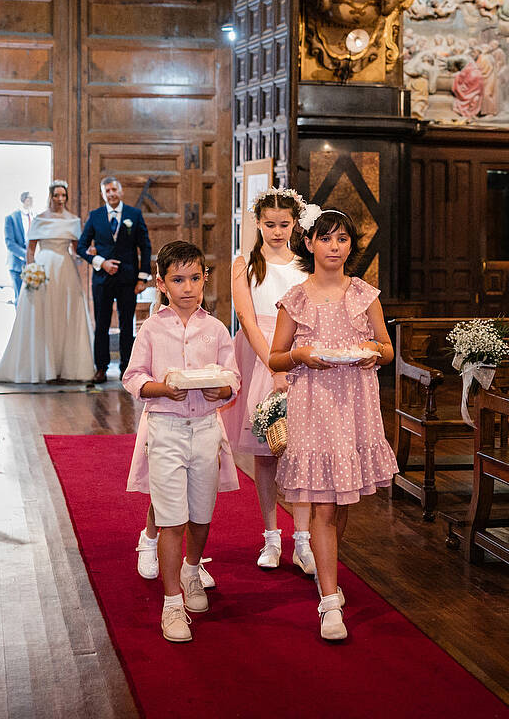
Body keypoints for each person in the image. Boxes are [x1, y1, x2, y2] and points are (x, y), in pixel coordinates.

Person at [268, 207, 397, 642]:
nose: (334, 247)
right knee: (323, 505)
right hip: (314, 406)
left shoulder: (364, 293)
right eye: (325, 239)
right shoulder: (296, 298)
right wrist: (300, 356)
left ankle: (328, 575)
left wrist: (372, 351)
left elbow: (388, 349)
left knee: (341, 504)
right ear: (309, 244)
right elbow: (276, 357)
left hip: (355, 405)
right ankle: (329, 603)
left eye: (342, 239)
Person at [122, 241, 240, 643]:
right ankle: (172, 603)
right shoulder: (151, 329)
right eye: (177, 280)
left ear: (205, 278)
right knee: (172, 518)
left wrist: (222, 390)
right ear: (162, 284)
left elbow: (233, 376)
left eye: (194, 278)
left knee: (201, 514)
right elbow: (133, 376)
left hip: (205, 429)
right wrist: (161, 388)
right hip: (166, 429)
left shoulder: (216, 329)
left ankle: (191, 570)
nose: (187, 287)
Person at [221, 188, 314, 572]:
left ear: (295, 224)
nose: (277, 232)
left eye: (284, 224)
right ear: (257, 223)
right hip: (260, 354)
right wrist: (274, 364)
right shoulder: (244, 264)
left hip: (298, 355)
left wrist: (291, 359)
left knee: (302, 450)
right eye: (270, 224)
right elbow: (245, 317)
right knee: (266, 452)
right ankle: (272, 537)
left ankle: (303, 540)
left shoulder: (305, 265)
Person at [0, 180, 95, 383]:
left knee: (65, 312)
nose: (60, 199)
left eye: (63, 195)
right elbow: (31, 249)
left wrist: (89, 254)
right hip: (43, 267)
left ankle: (65, 367)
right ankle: (40, 367)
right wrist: (31, 269)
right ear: (50, 196)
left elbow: (76, 250)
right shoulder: (40, 219)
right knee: (42, 313)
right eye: (56, 195)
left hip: (65, 269)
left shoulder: (73, 221)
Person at [77, 177, 152, 383]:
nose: (111, 194)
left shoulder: (134, 215)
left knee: (127, 324)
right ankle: (101, 368)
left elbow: (145, 247)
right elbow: (81, 247)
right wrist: (101, 262)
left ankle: (126, 368)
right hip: (102, 280)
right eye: (107, 191)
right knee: (101, 324)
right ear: (103, 194)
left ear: (121, 191)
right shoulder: (95, 216)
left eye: (113, 189)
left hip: (128, 280)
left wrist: (142, 278)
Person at [3, 193, 30, 302]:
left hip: (32, 265)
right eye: (30, 198)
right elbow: (10, 243)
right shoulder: (11, 218)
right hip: (17, 265)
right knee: (20, 299)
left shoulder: (35, 217)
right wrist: (26, 255)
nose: (32, 201)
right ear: (24, 200)